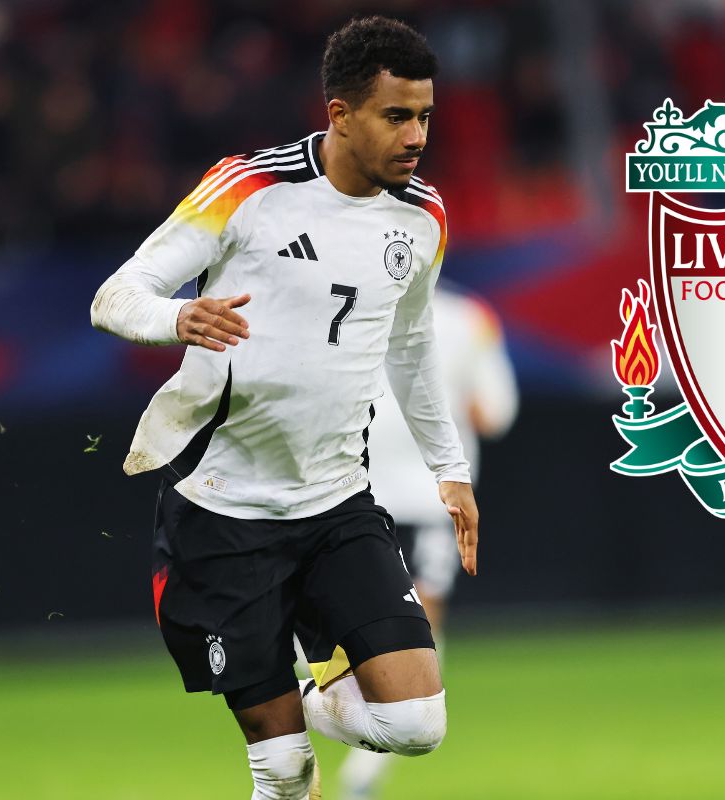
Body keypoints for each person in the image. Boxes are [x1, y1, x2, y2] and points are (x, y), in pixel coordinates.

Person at [90, 17, 477, 800]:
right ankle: (277, 705)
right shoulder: (250, 189)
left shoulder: (422, 216)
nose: (416, 136)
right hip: (220, 512)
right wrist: (176, 320)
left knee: (417, 726)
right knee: (285, 773)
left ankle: (289, 691)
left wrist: (451, 469)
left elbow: (409, 347)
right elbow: (116, 295)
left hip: (336, 503)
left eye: (425, 116)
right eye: (396, 116)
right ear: (339, 113)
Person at [339, 286, 518, 799]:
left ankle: (356, 746)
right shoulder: (469, 319)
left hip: (353, 491)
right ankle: (373, 744)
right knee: (420, 619)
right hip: (429, 495)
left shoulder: (348, 295)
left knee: (340, 617)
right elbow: (494, 412)